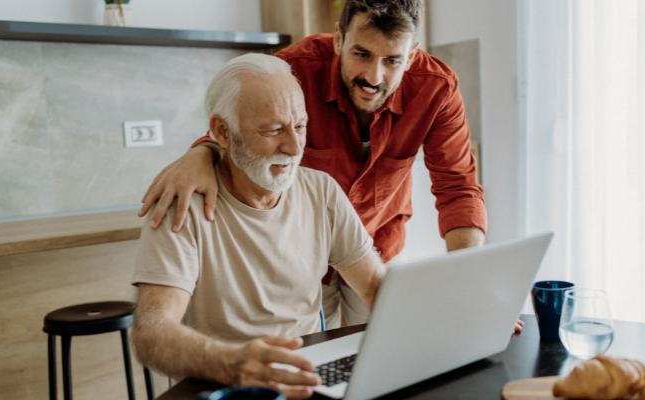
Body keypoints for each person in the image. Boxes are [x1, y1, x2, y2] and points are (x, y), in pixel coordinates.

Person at [138, 0, 520, 332]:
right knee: (315, 358)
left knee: (382, 353)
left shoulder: (437, 88)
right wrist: (202, 151)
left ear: (413, 54)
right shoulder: (291, 71)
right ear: (338, 39)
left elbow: (458, 189)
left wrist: (470, 288)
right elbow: (237, 131)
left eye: (392, 60)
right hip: (300, 254)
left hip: (377, 246)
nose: (374, 77)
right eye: (361, 54)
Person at [131, 53, 387, 400]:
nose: (295, 147)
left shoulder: (321, 189)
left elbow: (375, 286)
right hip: (224, 385)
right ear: (223, 131)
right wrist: (231, 362)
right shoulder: (182, 204)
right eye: (274, 129)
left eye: (300, 126)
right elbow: (151, 333)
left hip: (308, 379)